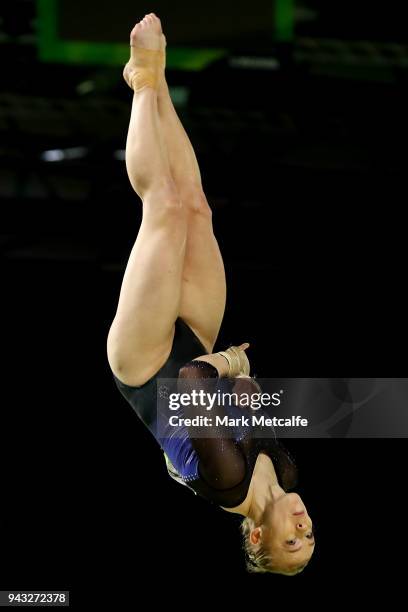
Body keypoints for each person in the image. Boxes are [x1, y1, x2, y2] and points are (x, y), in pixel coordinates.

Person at [106, 13, 315, 574]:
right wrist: (231, 372)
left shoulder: (227, 482)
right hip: (195, 345)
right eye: (310, 535)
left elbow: (196, 381)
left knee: (165, 212)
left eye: (291, 541)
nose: (302, 525)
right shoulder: (285, 473)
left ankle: (144, 79)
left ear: (255, 539)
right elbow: (241, 389)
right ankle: (159, 84)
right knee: (196, 207)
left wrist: (228, 364)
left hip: (146, 367)